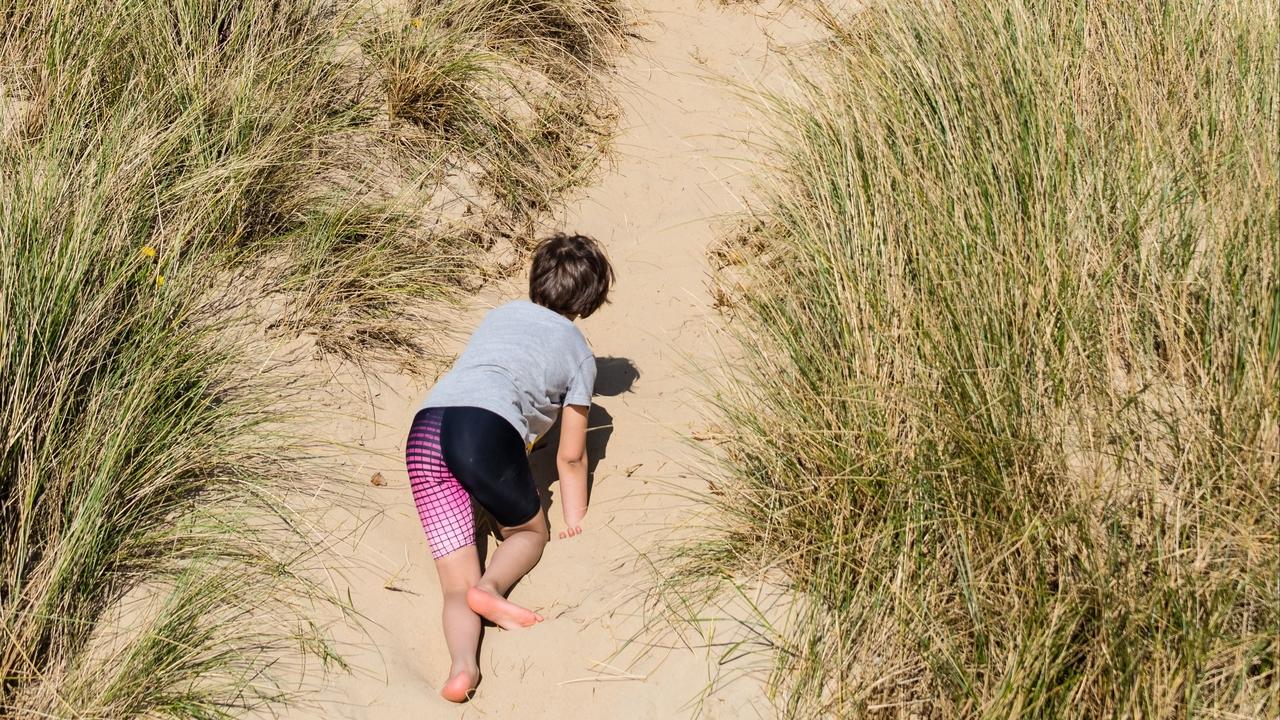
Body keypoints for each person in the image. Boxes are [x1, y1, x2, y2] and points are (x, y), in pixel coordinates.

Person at [404, 232, 614, 702]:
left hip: (426, 429)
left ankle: (463, 668)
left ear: (536, 279)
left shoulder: (499, 315)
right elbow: (571, 455)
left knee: (455, 587)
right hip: (483, 429)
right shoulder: (579, 351)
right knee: (526, 533)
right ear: (590, 299)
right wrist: (575, 517)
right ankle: (492, 588)